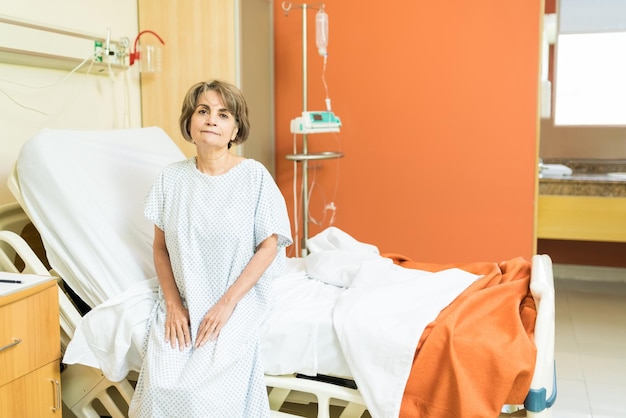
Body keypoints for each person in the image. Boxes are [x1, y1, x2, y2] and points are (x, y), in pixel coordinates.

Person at [129, 80, 292, 417]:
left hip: (239, 296)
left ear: (235, 129)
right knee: (163, 382)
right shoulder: (171, 179)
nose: (211, 120)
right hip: (186, 297)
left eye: (223, 114)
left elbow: (269, 246)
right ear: (190, 122)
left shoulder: (254, 177)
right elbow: (160, 249)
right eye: (203, 111)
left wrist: (226, 305)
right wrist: (173, 304)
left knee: (211, 389)